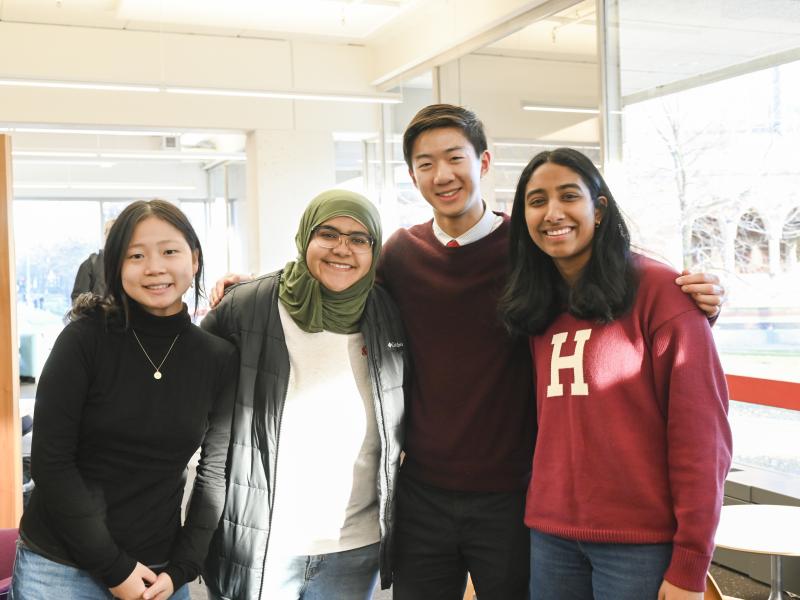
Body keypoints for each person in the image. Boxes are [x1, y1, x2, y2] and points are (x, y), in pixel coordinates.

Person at [210, 104, 726, 600]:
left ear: (483, 163)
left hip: (515, 494)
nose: (442, 174)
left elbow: (606, 272)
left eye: (455, 158)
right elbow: (339, 271)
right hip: (422, 492)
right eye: (425, 164)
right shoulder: (400, 254)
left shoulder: (530, 252)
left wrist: (700, 293)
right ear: (412, 177)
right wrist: (261, 284)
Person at [500, 147, 732, 600]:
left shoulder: (661, 292)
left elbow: (703, 440)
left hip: (639, 545)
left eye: (569, 196)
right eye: (536, 200)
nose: (553, 213)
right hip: (551, 535)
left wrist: (691, 564)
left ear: (599, 209)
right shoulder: (534, 303)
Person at [11, 200, 237, 600]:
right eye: (136, 255)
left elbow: (214, 473)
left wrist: (185, 565)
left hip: (158, 573)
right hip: (60, 569)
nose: (155, 267)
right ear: (116, 266)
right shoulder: (83, 340)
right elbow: (51, 464)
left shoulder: (216, 357)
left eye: (170, 251)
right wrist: (115, 570)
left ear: (195, 260)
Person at [203, 189, 406, 600]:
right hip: (263, 539)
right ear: (305, 237)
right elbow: (185, 378)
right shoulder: (248, 305)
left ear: (375, 249)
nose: (342, 249)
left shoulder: (389, 311)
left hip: (352, 546)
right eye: (328, 234)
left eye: (359, 238)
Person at [71, 218, 116, 302]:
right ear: (105, 235)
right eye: (111, 231)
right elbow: (77, 302)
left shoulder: (129, 264)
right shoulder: (90, 265)